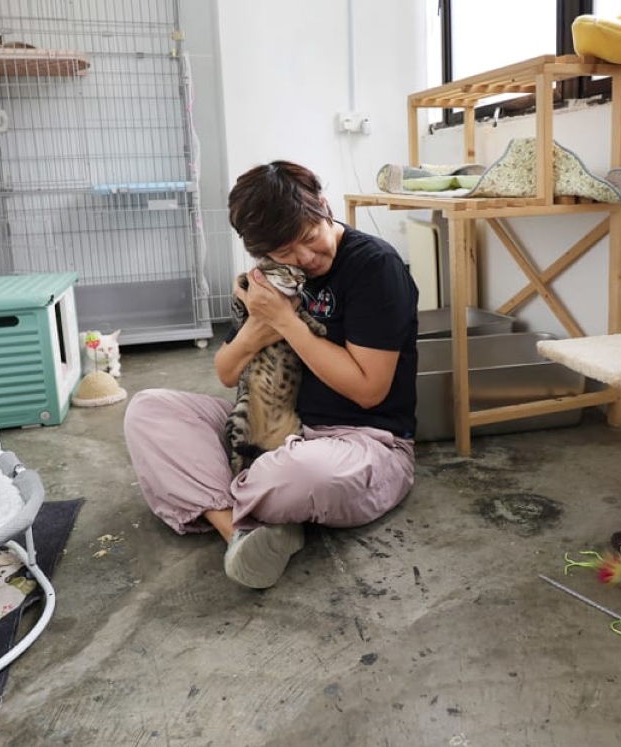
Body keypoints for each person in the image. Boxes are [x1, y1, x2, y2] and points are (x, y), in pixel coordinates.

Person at [124, 160, 419, 589]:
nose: (305, 259)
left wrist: (285, 322)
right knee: (148, 410)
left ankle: (235, 505)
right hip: (273, 430)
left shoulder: (375, 267)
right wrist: (254, 330)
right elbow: (226, 372)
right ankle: (243, 530)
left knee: (302, 474)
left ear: (322, 204)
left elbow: (369, 391)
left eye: (310, 238)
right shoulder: (270, 278)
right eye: (285, 254)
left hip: (362, 442)